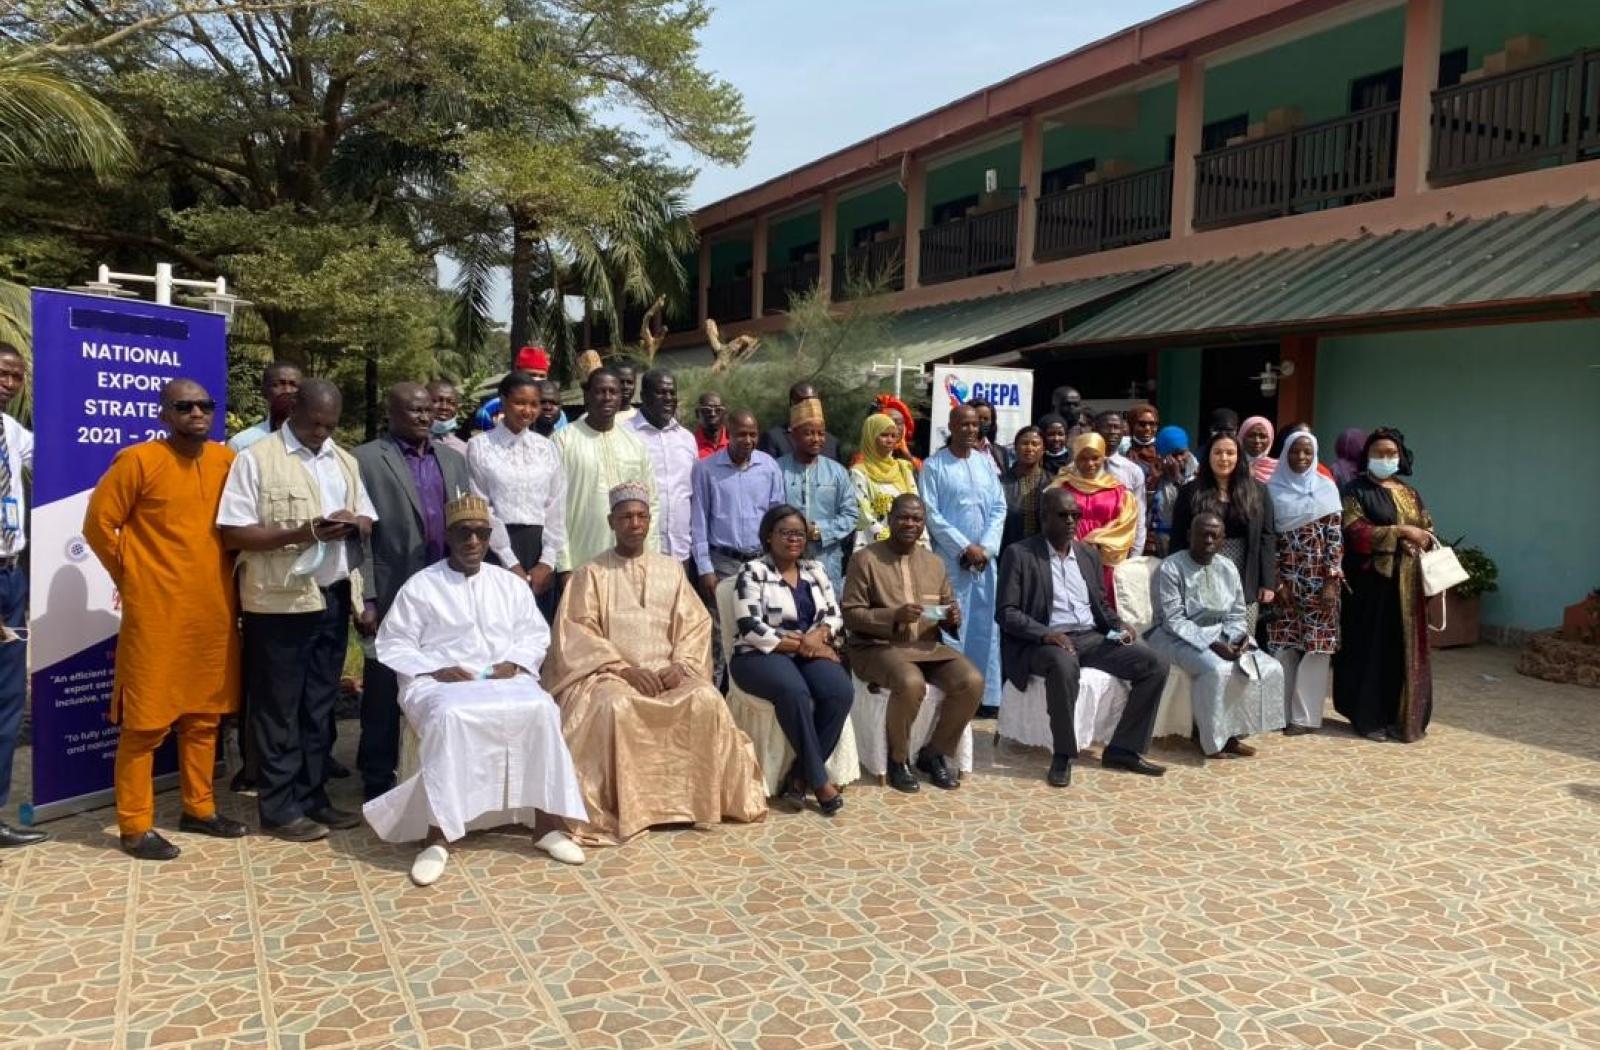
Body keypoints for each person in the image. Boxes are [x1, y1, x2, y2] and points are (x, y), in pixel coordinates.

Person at [365, 495, 588, 885]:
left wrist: (514, 662)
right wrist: (434, 667)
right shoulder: (422, 586)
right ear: (448, 536)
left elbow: (534, 634)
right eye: (464, 533)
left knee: (541, 709)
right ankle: (437, 837)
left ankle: (546, 825)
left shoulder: (509, 584)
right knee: (450, 717)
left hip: (503, 678)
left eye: (481, 534)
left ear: (489, 538)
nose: (473, 542)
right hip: (439, 683)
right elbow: (393, 642)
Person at [543, 483, 767, 844]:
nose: (635, 523)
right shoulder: (590, 573)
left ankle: (690, 805)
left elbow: (694, 623)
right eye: (626, 517)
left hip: (668, 673)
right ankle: (631, 811)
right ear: (611, 522)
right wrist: (624, 670)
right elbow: (577, 632)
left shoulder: (672, 570)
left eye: (641, 516)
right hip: (610, 675)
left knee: (705, 699)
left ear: (650, 521)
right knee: (616, 706)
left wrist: (681, 665)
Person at [83, 380, 248, 860]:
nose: (197, 413)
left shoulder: (225, 462)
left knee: (204, 717)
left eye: (204, 405)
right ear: (164, 414)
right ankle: (135, 826)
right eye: (184, 406)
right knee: (145, 724)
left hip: (213, 611)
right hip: (156, 614)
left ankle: (199, 808)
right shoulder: (139, 461)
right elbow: (98, 524)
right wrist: (132, 576)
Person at [218, 378, 376, 841]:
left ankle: (313, 797)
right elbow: (233, 533)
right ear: (293, 412)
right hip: (278, 603)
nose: (321, 434)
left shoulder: (343, 461)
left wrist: (354, 522)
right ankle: (280, 807)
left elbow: (367, 516)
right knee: (279, 709)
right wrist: (304, 532)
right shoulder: (256, 459)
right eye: (314, 424)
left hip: (331, 598)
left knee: (318, 707)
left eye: (330, 426)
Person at [355, 382, 493, 802]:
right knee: (383, 686)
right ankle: (377, 777)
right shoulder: (365, 459)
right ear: (391, 413)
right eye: (413, 410)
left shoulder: (453, 460)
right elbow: (360, 538)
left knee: (442, 677)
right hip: (392, 587)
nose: (423, 416)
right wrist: (367, 597)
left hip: (444, 589)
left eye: (427, 410)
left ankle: (437, 769)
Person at [997, 488, 1170, 786]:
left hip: (1089, 637)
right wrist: (1047, 634)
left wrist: (1119, 625)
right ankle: (1063, 755)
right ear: (1044, 517)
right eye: (1063, 515)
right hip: (1041, 643)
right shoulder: (1020, 554)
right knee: (1063, 665)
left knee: (1155, 664)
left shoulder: (1087, 554)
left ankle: (1123, 749)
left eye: (1075, 515)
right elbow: (1006, 612)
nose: (1070, 521)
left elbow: (1100, 604)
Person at [842, 494, 983, 793]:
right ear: (890, 520)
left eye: (917, 519)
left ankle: (934, 754)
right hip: (876, 646)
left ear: (923, 524)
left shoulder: (934, 563)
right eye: (903, 517)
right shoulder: (865, 559)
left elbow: (945, 608)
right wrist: (893, 615)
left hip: (927, 647)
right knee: (910, 681)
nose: (910, 524)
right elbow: (852, 615)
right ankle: (898, 759)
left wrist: (951, 618)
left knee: (971, 680)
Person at [730, 505, 852, 816]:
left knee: (840, 691)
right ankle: (820, 782)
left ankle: (799, 776)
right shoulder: (753, 571)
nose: (793, 539)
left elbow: (834, 615)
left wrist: (820, 634)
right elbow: (750, 626)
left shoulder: (815, 570)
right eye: (785, 533)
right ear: (769, 536)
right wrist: (807, 646)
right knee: (794, 691)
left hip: (807, 650)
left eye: (799, 533)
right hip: (759, 654)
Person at [1146, 513, 1286, 760]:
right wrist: (1212, 644)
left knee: (1269, 667)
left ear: (1223, 539)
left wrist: (1239, 638)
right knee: (1217, 669)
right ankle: (1210, 741)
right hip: (1172, 638)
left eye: (1215, 536)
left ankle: (1232, 733)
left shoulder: (1227, 567)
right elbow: (1173, 620)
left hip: (1223, 635)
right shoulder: (1170, 567)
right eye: (1203, 535)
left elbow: (1236, 613)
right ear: (1189, 536)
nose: (1209, 540)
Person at [1333, 427, 1436, 743]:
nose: (1385, 458)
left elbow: (1427, 526)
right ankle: (1367, 718)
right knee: (1370, 650)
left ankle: (1400, 717)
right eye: (1378, 452)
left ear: (1400, 457)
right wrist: (1400, 532)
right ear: (1367, 455)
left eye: (1391, 453)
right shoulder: (1355, 490)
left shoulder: (1410, 492)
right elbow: (1354, 531)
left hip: (1408, 587)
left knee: (1400, 651)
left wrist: (1421, 539)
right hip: (1370, 586)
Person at [920, 404, 1007, 716]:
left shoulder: (985, 463)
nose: (971, 430)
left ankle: (985, 697)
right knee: (952, 622)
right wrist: (963, 547)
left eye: (975, 425)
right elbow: (931, 514)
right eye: (964, 425)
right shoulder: (934, 466)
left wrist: (986, 548)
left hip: (984, 561)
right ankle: (953, 692)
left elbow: (999, 508)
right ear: (951, 426)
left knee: (985, 626)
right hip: (950, 561)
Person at [467, 371, 566, 619]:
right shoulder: (479, 446)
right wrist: (509, 562)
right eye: (520, 402)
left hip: (539, 548)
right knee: (497, 622)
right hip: (496, 547)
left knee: (537, 625)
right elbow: (481, 505)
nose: (527, 411)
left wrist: (547, 561)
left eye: (534, 404)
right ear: (503, 401)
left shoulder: (546, 447)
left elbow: (556, 504)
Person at [1266, 431, 1344, 736]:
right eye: (1295, 452)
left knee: (1317, 648)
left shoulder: (1327, 489)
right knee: (1284, 645)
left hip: (1320, 581)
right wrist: (1277, 581)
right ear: (1285, 453)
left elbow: (1335, 540)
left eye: (1307, 453)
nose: (1301, 457)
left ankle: (1306, 718)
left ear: (1315, 456)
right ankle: (1279, 714)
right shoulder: (1272, 490)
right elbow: (1269, 540)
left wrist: (1331, 581)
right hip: (1285, 581)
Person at [553, 367, 657, 573]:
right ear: (587, 395)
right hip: (581, 560)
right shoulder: (563, 441)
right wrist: (563, 565)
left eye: (613, 392)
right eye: (600, 391)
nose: (607, 397)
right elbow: (553, 507)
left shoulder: (634, 444)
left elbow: (651, 503)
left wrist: (649, 556)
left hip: (631, 563)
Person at [1171, 432, 1277, 631]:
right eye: (1218, 452)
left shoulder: (1258, 491)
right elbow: (1178, 538)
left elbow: (1267, 536)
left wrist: (1267, 582)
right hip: (1200, 570)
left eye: (1230, 453)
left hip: (1244, 573)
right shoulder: (1190, 492)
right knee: (1202, 636)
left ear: (1239, 457)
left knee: (1241, 636)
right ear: (1208, 456)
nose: (1224, 458)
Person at [0, 344, 42, 849]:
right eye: (1, 373)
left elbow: (57, 454)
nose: (8, 383)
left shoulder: (11, 431)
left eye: (16, 375)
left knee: (8, 702)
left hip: (12, 577)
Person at [777, 398, 856, 594]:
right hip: (785, 560)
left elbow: (851, 515)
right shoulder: (777, 469)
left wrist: (820, 530)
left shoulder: (837, 472)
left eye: (821, 433)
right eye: (809, 433)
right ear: (794, 435)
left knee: (826, 610)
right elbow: (768, 513)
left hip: (826, 561)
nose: (816, 439)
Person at [1047, 433, 1139, 599]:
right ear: (1075, 459)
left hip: (1105, 561)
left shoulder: (1119, 492)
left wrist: (1095, 543)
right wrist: (1073, 545)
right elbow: (1051, 520)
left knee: (1103, 602)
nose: (1090, 463)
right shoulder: (1060, 487)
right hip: (1067, 556)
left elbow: (1125, 526)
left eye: (1095, 458)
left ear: (1103, 457)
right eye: (1083, 458)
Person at [627, 368, 698, 570]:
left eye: (672, 392)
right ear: (643, 396)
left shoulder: (686, 439)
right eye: (660, 392)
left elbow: (692, 495)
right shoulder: (624, 434)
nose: (668, 398)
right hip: (638, 552)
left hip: (681, 552)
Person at [850, 413, 922, 550]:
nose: (889, 440)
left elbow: (916, 508)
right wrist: (891, 539)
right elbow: (863, 515)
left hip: (906, 544)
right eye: (884, 435)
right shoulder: (859, 472)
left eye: (893, 436)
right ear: (870, 437)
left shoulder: (903, 468)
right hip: (873, 547)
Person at [1094, 411, 1148, 557]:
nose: (1113, 432)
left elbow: (1139, 516)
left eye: (1117, 427)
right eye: (1108, 427)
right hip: (1086, 548)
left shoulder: (1133, 471)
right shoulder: (1079, 468)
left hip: (1120, 552)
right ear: (1095, 430)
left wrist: (1134, 556)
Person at [758, 380, 841, 462]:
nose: (809, 406)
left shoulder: (832, 442)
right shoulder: (773, 438)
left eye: (814, 402)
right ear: (792, 404)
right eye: (803, 401)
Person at [228, 361, 302, 452]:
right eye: (279, 384)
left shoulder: (314, 443)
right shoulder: (242, 443)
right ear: (264, 391)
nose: (287, 390)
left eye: (293, 385)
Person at [1150, 425, 1197, 557]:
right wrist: (1153, 484)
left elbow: (1193, 505)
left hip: (1185, 541)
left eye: (1182, 453)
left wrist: (1177, 479)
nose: (1179, 459)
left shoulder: (1199, 473)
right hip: (1158, 542)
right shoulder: (1155, 472)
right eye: (1174, 455)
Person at [1000, 426, 1049, 551]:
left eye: (1035, 444)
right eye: (1025, 443)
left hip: (1042, 554)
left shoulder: (1052, 483)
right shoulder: (1000, 483)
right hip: (1007, 551)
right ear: (1015, 448)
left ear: (1043, 449)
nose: (1029, 448)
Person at [968, 398, 1012, 475]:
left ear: (992, 423)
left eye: (986, 419)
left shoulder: (1001, 452)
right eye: (978, 417)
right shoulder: (955, 450)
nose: (982, 421)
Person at [426, 379, 468, 455]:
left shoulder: (463, 449)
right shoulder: (409, 444)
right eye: (436, 401)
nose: (444, 407)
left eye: (451, 403)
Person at [1240, 416, 1277, 483]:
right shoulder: (1231, 464)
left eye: (1263, 436)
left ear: (1270, 439)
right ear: (1242, 437)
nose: (1257, 441)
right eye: (1251, 435)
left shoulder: (1278, 468)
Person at [694, 390, 728, 459]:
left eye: (718, 410)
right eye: (707, 410)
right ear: (697, 413)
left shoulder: (734, 440)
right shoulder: (690, 443)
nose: (713, 414)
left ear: (724, 414)